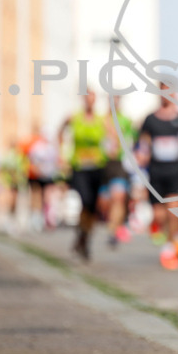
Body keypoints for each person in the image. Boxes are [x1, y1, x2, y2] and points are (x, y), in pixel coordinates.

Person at [136, 82, 178, 269]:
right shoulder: (151, 119)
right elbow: (143, 142)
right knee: (159, 215)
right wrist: (141, 155)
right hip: (156, 172)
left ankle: (170, 248)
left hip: (176, 171)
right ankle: (159, 229)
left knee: (174, 208)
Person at [59, 89, 108, 260]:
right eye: (87, 97)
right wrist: (62, 154)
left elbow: (113, 138)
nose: (89, 100)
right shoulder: (74, 117)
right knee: (85, 200)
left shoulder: (101, 120)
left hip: (97, 166)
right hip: (79, 166)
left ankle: (84, 238)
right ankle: (82, 234)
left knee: (92, 207)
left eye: (92, 97)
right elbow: (60, 132)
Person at [102, 95, 136, 245]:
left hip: (119, 165)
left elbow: (133, 141)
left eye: (116, 99)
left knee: (118, 197)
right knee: (104, 202)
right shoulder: (100, 120)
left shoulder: (126, 121)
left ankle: (112, 231)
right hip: (101, 164)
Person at [21, 123, 60, 231]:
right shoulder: (37, 146)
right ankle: (35, 218)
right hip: (36, 176)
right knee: (36, 196)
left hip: (48, 176)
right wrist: (37, 170)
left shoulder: (52, 147)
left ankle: (45, 217)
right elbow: (32, 161)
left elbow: (56, 162)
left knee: (47, 197)